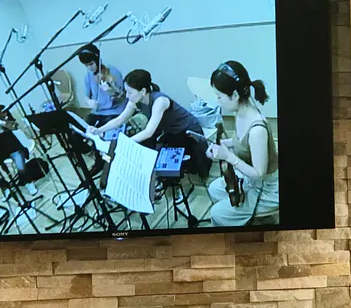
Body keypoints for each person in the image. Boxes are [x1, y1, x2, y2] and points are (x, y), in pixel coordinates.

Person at [88, 69, 210, 179]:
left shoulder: (160, 101)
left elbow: (148, 132)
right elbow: (120, 119)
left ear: (143, 91)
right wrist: (99, 130)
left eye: (130, 92)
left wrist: (123, 144)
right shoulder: (134, 100)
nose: (127, 96)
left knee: (162, 157)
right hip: (171, 131)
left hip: (187, 131)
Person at [206, 61, 279, 226]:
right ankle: (248, 218)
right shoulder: (239, 112)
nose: (217, 101)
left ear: (235, 95)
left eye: (219, 96)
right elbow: (240, 142)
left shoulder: (257, 130)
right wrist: (222, 145)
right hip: (249, 178)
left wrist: (228, 156)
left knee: (216, 214)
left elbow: (259, 173)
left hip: (267, 187)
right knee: (213, 189)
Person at [78, 45, 126, 174]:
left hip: (114, 110)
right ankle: (92, 152)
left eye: (91, 64)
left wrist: (111, 90)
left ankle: (102, 163)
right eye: (86, 65)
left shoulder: (113, 72)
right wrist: (88, 101)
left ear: (97, 59)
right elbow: (86, 95)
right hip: (98, 111)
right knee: (79, 129)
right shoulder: (88, 76)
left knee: (100, 133)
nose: (90, 68)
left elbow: (123, 97)